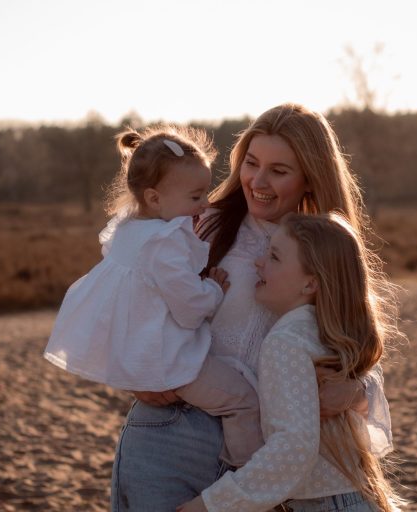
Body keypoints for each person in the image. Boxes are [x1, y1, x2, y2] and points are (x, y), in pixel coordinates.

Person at [111, 104, 394, 511]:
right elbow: (126, 296)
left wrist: (357, 390)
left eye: (279, 171)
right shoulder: (199, 226)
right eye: (251, 163)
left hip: (268, 459)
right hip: (176, 435)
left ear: (310, 179)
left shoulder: (327, 246)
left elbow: (356, 342)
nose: (257, 181)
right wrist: (133, 371)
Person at [44, 125, 263, 468]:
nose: (205, 204)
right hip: (170, 359)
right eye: (195, 196)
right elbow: (190, 310)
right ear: (154, 198)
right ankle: (247, 477)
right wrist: (213, 289)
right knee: (243, 402)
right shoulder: (167, 241)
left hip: (142, 352)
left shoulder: (130, 228)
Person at [178, 213, 402, 511]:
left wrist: (210, 505)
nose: (259, 262)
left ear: (310, 283)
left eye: (274, 257)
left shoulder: (286, 340)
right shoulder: (330, 332)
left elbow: (293, 448)